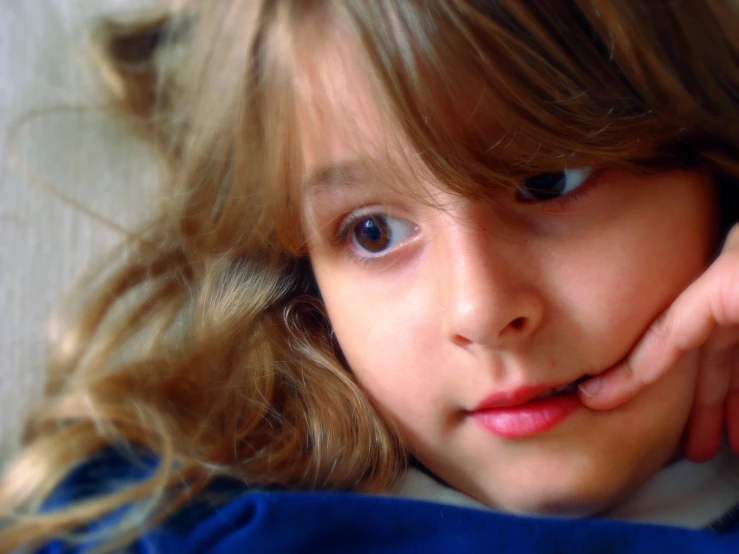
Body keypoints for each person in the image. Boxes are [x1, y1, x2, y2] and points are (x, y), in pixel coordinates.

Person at [3, 1, 739, 552]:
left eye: (548, 181)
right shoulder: (179, 525)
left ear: (714, 171)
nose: (479, 308)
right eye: (372, 232)